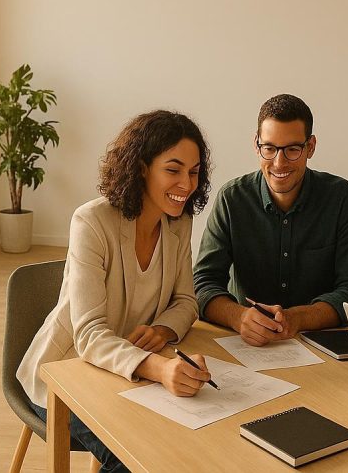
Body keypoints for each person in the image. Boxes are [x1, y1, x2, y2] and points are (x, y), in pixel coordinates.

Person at [17, 111, 213, 473]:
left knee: (188, 445)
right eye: (173, 169)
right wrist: (159, 368)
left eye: (194, 171)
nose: (186, 183)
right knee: (134, 456)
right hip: (69, 372)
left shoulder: (180, 222)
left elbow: (187, 301)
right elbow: (89, 334)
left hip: (127, 373)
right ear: (141, 168)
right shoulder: (91, 222)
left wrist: (163, 330)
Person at [193, 94, 348, 346]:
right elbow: (203, 283)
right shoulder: (231, 199)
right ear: (256, 145)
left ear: (310, 147)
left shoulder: (341, 198)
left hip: (321, 345)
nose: (279, 163)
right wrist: (239, 317)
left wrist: (297, 318)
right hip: (246, 345)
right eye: (269, 148)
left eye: (292, 149)